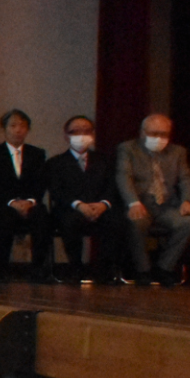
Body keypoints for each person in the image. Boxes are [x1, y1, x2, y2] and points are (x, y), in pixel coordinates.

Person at [116, 113, 190, 286]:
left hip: (168, 206)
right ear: (142, 133)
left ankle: (164, 268)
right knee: (137, 222)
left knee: (189, 223)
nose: (159, 138)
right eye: (154, 134)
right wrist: (133, 202)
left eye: (164, 134)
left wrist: (187, 200)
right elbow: (124, 176)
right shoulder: (128, 149)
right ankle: (143, 270)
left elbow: (186, 179)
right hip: (141, 204)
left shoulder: (178, 152)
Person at [45, 116, 125, 285]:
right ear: (66, 136)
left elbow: (112, 187)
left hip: (100, 208)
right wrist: (79, 205)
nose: (81, 135)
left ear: (93, 135)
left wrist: (103, 204)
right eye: (75, 132)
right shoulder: (55, 163)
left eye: (86, 131)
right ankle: (75, 268)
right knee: (69, 221)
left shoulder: (105, 160)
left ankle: (104, 269)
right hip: (70, 208)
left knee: (116, 220)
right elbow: (57, 191)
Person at [0, 108, 52, 281]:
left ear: (27, 130)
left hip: (30, 203)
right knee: (4, 217)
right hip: (4, 204)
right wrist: (12, 202)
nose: (18, 130)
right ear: (4, 129)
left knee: (42, 216)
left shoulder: (37, 154)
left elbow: (41, 182)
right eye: (13, 126)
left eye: (22, 126)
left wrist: (30, 201)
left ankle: (38, 268)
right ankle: (1, 268)